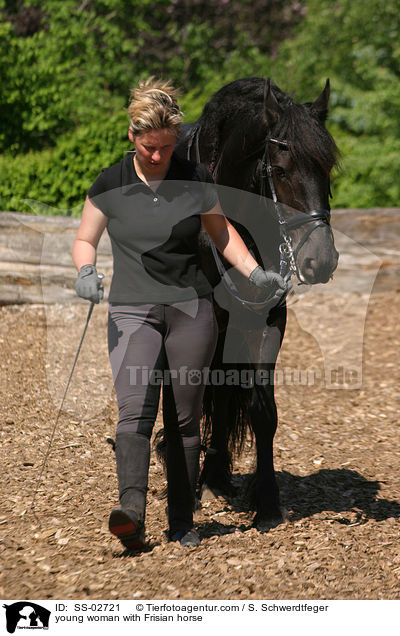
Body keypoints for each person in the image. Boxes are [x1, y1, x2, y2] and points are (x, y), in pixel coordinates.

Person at [72, 77, 290, 551]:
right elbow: (85, 236)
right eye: (151, 147)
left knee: (186, 417)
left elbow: (223, 234)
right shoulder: (111, 182)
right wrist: (85, 269)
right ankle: (131, 512)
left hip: (191, 311)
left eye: (167, 147)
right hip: (133, 311)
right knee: (134, 410)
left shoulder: (193, 178)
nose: (158, 157)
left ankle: (182, 521)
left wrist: (257, 275)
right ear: (133, 137)